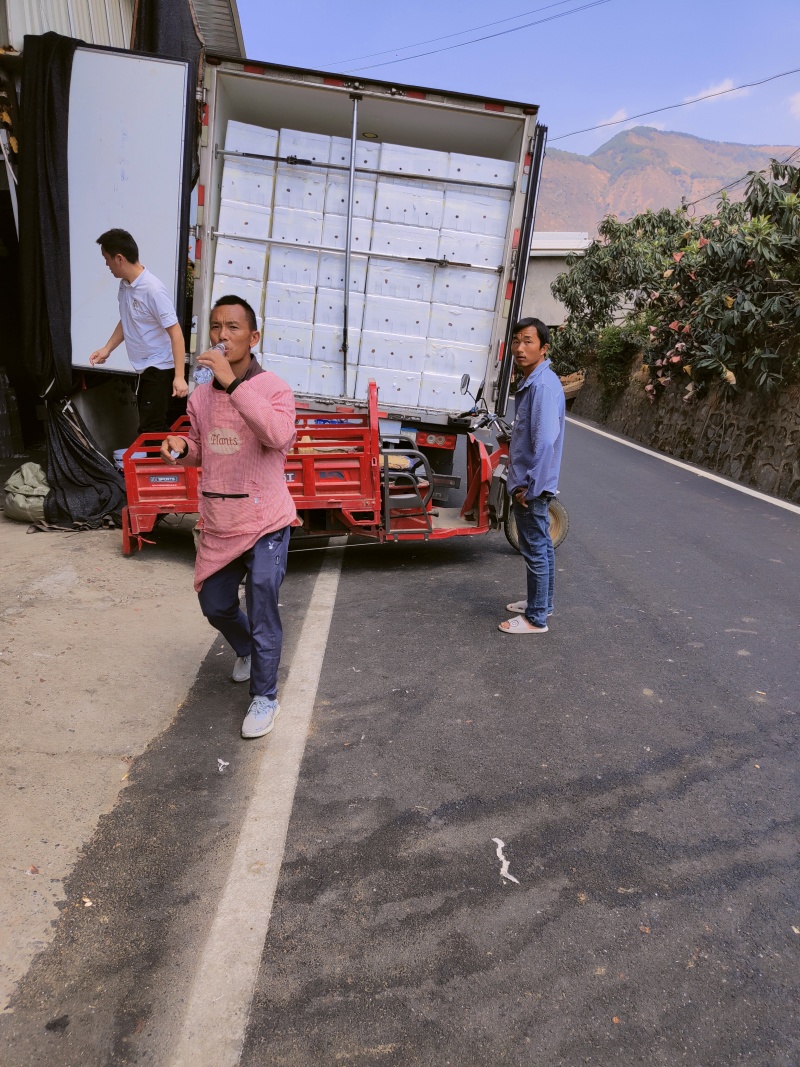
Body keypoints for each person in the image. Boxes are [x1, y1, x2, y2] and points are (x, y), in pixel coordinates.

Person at [161, 295, 297, 739]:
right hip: (221, 517)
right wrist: (182, 448)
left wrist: (234, 387)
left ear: (253, 337)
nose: (222, 336)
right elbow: (203, 445)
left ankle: (265, 696)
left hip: (265, 518)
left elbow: (277, 436)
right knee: (214, 603)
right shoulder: (200, 396)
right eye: (217, 327)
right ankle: (246, 650)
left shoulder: (274, 388)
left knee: (261, 597)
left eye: (233, 328)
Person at [499, 317, 565, 635]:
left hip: (531, 485)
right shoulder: (537, 381)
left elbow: (546, 440)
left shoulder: (540, 385)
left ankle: (536, 618)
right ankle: (543, 603)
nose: (520, 348)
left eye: (528, 341)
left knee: (535, 547)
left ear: (544, 347)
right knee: (542, 545)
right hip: (534, 482)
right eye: (516, 341)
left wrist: (529, 486)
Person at [89, 228, 188, 432]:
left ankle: (164, 462)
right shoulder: (125, 285)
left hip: (160, 369)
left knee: (151, 429)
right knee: (154, 427)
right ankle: (173, 459)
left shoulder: (153, 290)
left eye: (106, 259)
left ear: (119, 258)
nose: (106, 264)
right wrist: (107, 348)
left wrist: (179, 376)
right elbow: (127, 320)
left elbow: (176, 333)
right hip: (145, 368)